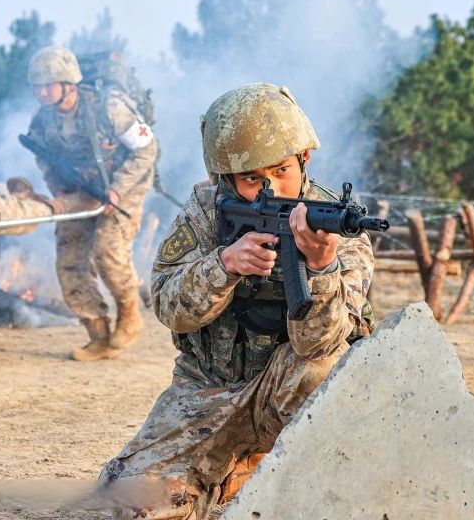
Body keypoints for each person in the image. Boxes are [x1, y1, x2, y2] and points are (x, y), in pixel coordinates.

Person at [99, 83, 375, 518]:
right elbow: (169, 307)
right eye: (252, 179)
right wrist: (224, 265)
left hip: (282, 392)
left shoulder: (339, 232)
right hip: (204, 388)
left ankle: (289, 477)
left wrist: (321, 267)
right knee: (128, 501)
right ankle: (232, 471)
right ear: (225, 179)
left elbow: (318, 348)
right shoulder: (206, 214)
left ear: (305, 158)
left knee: (326, 370)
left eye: (282, 169)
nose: (273, 188)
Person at [25, 46, 157, 361]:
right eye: (37, 86)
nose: (42, 92)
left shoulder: (107, 108)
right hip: (79, 191)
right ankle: (98, 334)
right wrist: (59, 192)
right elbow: (44, 160)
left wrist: (118, 190)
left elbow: (146, 150)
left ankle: (129, 314)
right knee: (69, 261)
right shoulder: (42, 122)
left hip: (125, 187)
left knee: (108, 250)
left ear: (69, 83)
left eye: (49, 84)